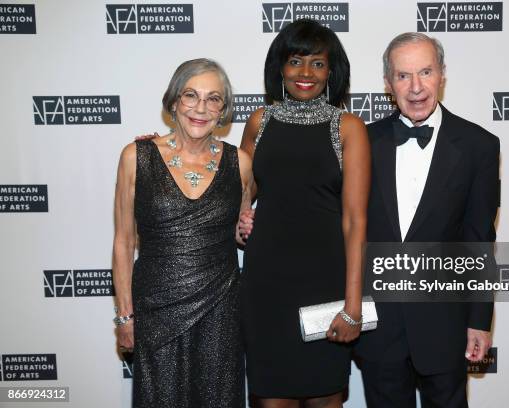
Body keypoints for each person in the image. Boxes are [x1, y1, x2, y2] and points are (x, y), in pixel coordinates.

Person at [354, 33, 500, 407]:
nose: (416, 87)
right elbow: (333, 219)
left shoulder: (479, 146)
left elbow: (479, 239)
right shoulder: (361, 143)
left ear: (442, 75)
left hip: (445, 326)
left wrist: (479, 319)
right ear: (388, 83)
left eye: (425, 72)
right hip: (378, 327)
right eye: (403, 76)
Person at [238, 19, 370, 408]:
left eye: (317, 63)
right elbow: (240, 191)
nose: (306, 73)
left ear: (332, 71)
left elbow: (355, 221)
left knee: (324, 399)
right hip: (267, 288)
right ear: (280, 66)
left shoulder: (347, 127)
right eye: (296, 61)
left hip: (325, 284)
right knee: (269, 400)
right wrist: (240, 216)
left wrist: (353, 306)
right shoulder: (259, 122)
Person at [112, 58, 252, 408]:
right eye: (191, 95)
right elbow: (124, 242)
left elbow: (240, 231)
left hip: (220, 310)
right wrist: (125, 316)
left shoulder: (242, 163)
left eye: (213, 98)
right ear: (174, 101)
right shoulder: (136, 157)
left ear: (224, 110)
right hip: (156, 309)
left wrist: (248, 229)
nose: (201, 108)